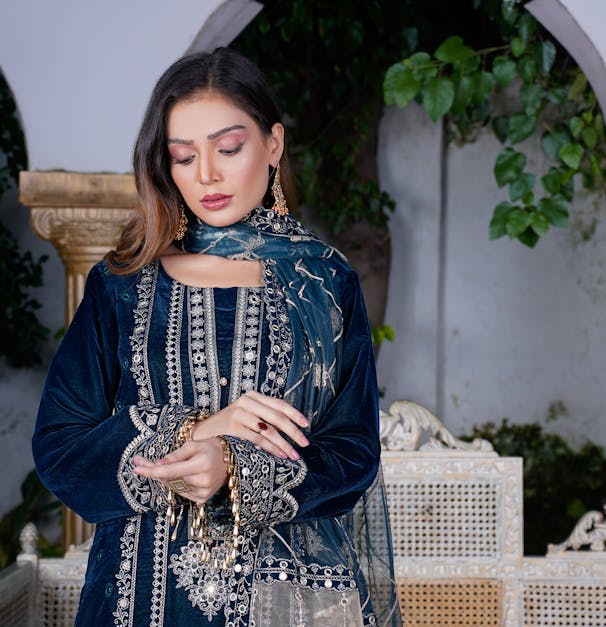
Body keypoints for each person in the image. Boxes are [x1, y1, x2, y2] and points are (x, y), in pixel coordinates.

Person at [33, 47, 401, 626]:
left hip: (291, 596)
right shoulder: (122, 284)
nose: (206, 175)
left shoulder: (324, 282)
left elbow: (353, 454)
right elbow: (60, 450)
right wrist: (197, 431)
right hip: (137, 593)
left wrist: (235, 468)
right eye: (183, 157)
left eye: (228, 149)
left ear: (273, 145)